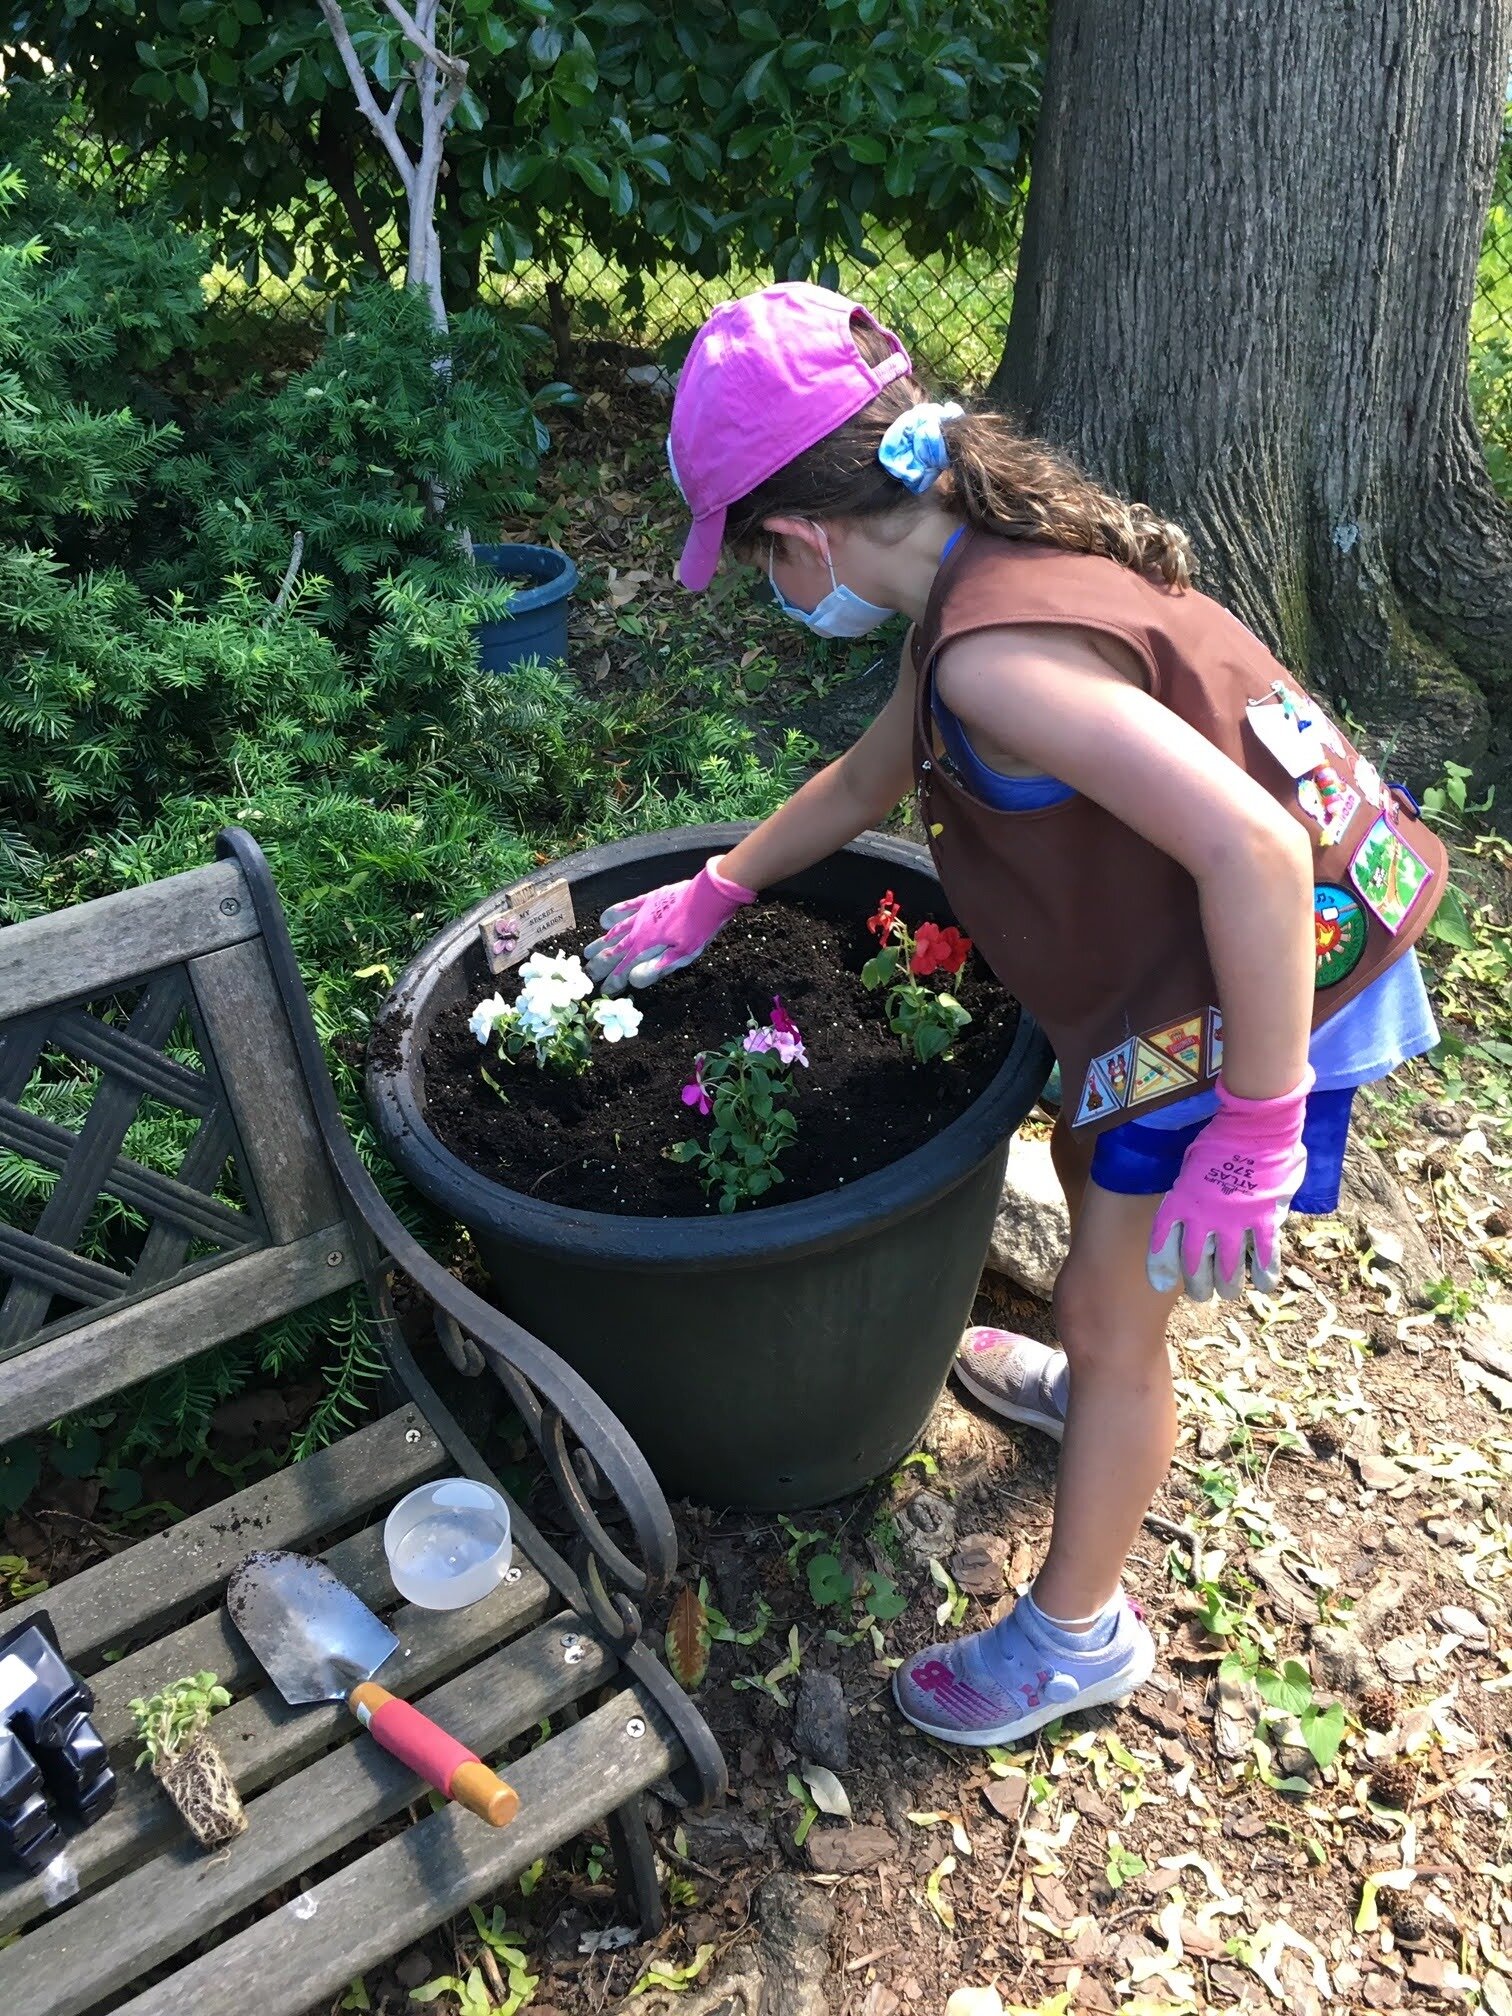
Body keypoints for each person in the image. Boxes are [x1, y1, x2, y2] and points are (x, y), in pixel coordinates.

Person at [584, 282, 1446, 1745]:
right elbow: (869, 782)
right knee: (1103, 1255)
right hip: (1245, 938)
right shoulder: (973, 564)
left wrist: (1255, 1119)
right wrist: (721, 886)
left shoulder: (992, 655)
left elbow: (1247, 849)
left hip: (1263, 975)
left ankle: (1078, 1634)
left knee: (1121, 1316)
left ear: (801, 535)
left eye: (754, 568)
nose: (773, 596)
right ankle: (1090, 1373)